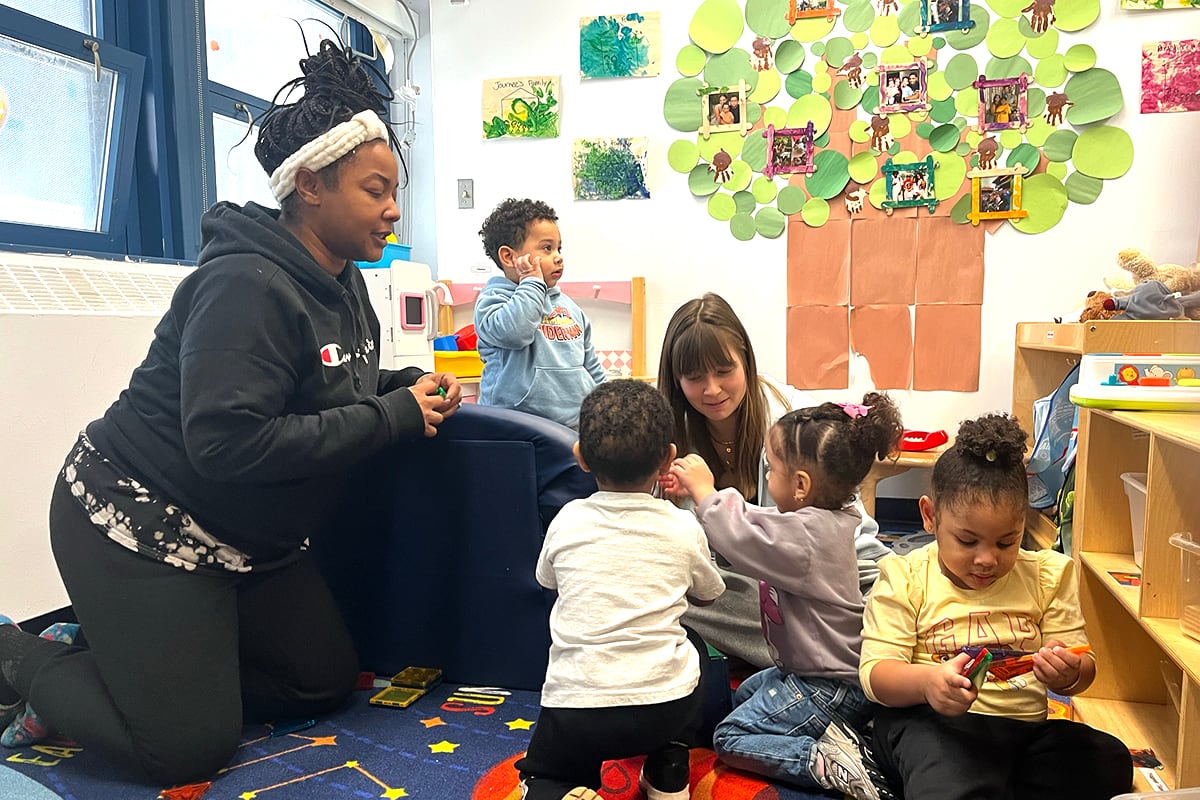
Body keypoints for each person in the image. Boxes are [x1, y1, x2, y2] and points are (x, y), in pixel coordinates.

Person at [0, 38, 462, 785]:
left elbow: (324, 384)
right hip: (140, 523)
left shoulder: (339, 278)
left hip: (247, 541)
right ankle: (24, 657)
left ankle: (129, 663)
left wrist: (398, 384)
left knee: (318, 679)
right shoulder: (246, 284)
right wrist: (392, 416)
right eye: (375, 189)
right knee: (183, 749)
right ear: (310, 185)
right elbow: (227, 444)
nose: (392, 208)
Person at [859, 413, 1134, 800]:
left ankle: (991, 785)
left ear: (1024, 524)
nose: (987, 559)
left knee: (1108, 760)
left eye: (1007, 542)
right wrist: (928, 684)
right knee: (944, 769)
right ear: (930, 516)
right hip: (931, 723)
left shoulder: (1047, 575)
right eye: (968, 541)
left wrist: (1068, 674)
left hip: (1021, 734)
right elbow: (876, 676)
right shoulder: (904, 576)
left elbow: (1083, 667)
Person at [670, 393, 904, 800]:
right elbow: (758, 520)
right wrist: (696, 496)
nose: (768, 478)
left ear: (801, 485)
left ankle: (829, 760)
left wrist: (706, 491)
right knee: (744, 693)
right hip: (812, 671)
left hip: (829, 684)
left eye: (771, 469)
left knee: (731, 735)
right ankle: (844, 732)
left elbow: (741, 533)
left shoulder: (807, 536)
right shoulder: (821, 519)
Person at [656, 293, 892, 670]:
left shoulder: (792, 424)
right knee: (668, 596)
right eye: (695, 377)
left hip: (820, 580)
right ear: (676, 378)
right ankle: (838, 654)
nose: (712, 389)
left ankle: (839, 650)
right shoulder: (668, 435)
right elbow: (672, 556)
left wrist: (892, 585)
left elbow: (849, 536)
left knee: (890, 595)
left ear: (746, 362)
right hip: (743, 589)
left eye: (724, 371)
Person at [514, 380, 726, 800]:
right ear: (668, 458)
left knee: (543, 771)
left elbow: (546, 581)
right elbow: (708, 594)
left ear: (581, 458)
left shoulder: (567, 520)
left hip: (576, 709)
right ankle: (669, 767)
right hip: (664, 708)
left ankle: (555, 788)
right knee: (695, 647)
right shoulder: (681, 526)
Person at [475, 198, 606, 429]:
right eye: (547, 248)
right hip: (515, 428)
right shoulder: (493, 300)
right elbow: (517, 332)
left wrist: (608, 401)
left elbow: (590, 363)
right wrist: (532, 283)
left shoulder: (569, 307)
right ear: (509, 257)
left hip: (574, 426)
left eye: (559, 248)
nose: (558, 256)